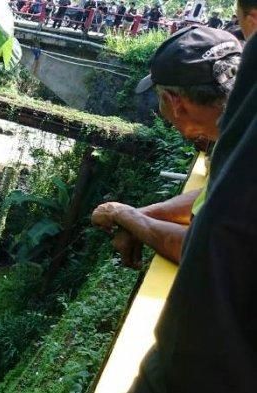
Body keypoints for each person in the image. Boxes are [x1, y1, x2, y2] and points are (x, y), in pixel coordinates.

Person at [130, 12, 257, 391]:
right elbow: (209, 198)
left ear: (176, 103)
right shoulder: (237, 145)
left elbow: (203, 246)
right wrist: (143, 213)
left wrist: (131, 219)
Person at [91, 26, 242, 267]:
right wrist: (140, 217)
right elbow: (214, 195)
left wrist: (124, 215)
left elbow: (202, 251)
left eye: (160, 98)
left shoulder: (245, 156)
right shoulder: (240, 133)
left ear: (175, 103)